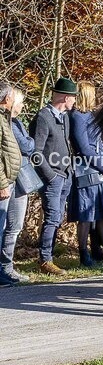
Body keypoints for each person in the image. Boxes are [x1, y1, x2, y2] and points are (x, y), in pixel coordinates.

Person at [68, 81, 103, 266]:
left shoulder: (91, 116)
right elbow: (83, 147)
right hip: (86, 171)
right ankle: (84, 255)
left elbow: (99, 143)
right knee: (86, 216)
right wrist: (102, 166)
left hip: (101, 170)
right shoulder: (76, 117)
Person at [30, 77, 79, 275]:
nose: (75, 101)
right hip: (52, 177)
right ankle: (45, 260)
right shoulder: (43, 117)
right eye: (73, 98)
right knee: (51, 217)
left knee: (57, 217)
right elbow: (35, 152)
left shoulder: (64, 117)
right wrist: (50, 176)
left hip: (66, 174)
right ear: (65, 97)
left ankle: (50, 256)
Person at [1, 88, 36, 285]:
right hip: (7, 180)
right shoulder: (7, 123)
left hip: (18, 177)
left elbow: (29, 144)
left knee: (15, 225)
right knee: (6, 226)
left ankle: (7, 267)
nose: (22, 105)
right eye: (19, 102)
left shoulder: (16, 122)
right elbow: (27, 146)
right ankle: (3, 268)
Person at [0, 84, 23, 286]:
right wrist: (1, 184)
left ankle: (4, 270)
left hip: (10, 178)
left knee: (8, 226)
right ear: (6, 98)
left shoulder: (5, 117)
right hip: (4, 182)